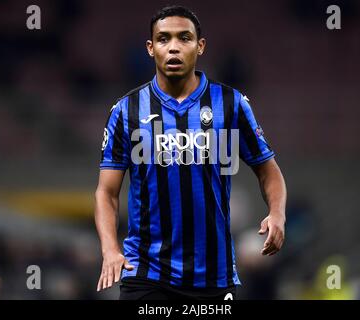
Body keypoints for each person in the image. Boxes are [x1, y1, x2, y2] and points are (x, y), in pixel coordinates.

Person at [94, 5, 287, 300]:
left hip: (213, 276)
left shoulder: (231, 104)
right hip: (145, 274)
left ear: (200, 46)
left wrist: (277, 214)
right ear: (150, 48)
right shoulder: (126, 111)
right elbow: (106, 193)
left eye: (184, 38)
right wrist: (110, 250)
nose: (173, 47)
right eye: (163, 39)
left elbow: (268, 170)